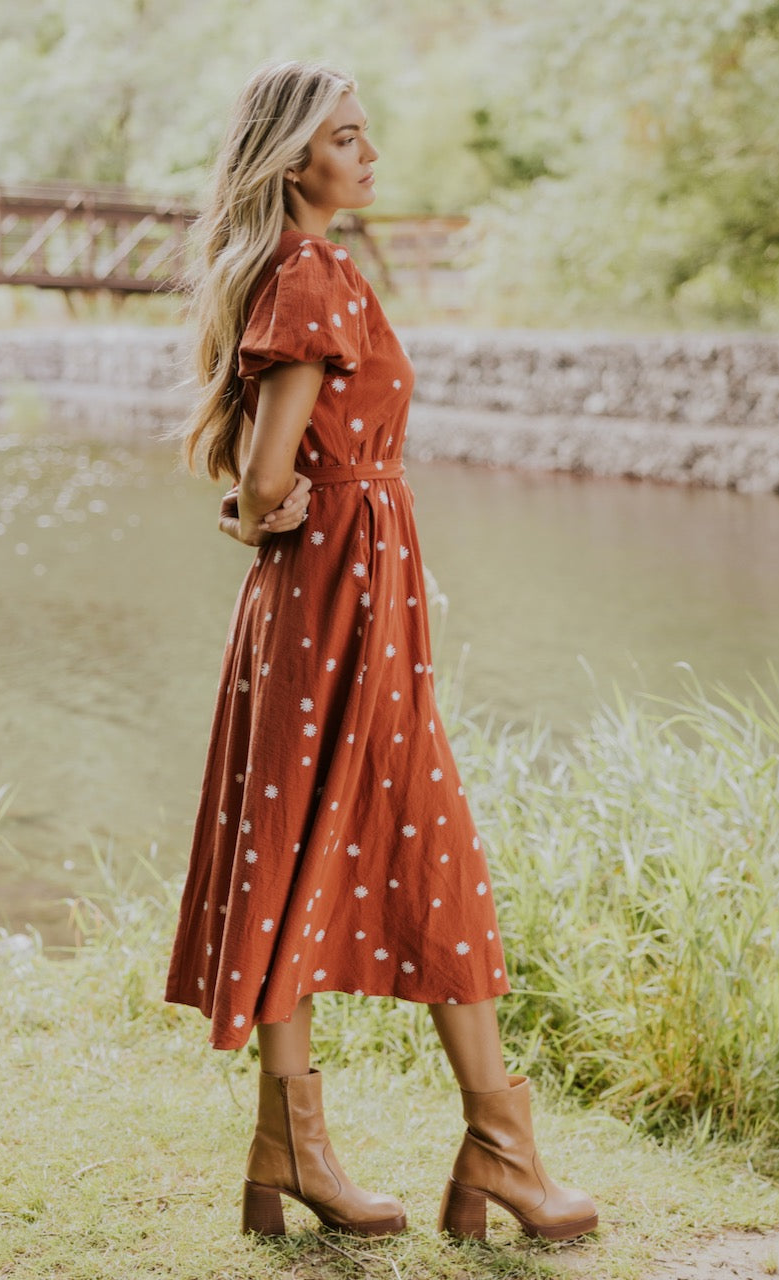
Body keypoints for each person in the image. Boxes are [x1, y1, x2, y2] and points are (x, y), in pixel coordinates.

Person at [165, 59, 597, 1245]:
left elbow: (258, 484)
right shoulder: (310, 274)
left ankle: (299, 1149)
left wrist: (265, 511)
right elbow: (263, 476)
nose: (368, 156)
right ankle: (490, 1150)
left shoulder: (293, 270)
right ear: (294, 158)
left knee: (295, 842)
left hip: (330, 599)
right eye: (347, 139)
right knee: (424, 843)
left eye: (365, 136)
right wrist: (270, 507)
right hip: (336, 603)